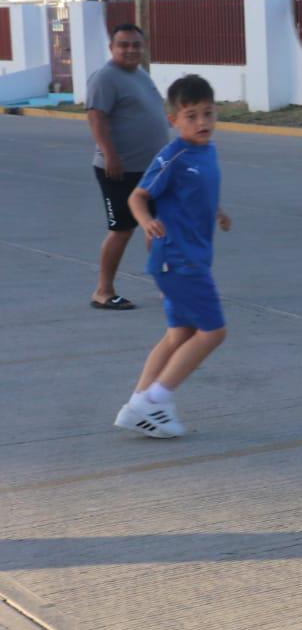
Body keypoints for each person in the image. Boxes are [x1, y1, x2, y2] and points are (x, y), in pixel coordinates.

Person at [113, 75, 231, 440]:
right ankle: (156, 400)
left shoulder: (205, 151)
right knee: (213, 332)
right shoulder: (174, 155)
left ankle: (136, 405)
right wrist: (146, 222)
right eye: (191, 116)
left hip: (187, 257)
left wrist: (216, 211)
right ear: (174, 121)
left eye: (208, 113)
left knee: (179, 333)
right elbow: (137, 196)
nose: (202, 123)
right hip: (178, 260)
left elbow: (195, 193)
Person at [85, 23, 170, 310]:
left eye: (136, 44)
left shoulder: (140, 75)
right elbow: (96, 118)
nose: (131, 50)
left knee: (156, 228)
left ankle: (166, 287)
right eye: (124, 44)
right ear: (112, 48)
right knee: (121, 230)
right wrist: (110, 155)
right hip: (120, 169)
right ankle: (103, 291)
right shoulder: (105, 77)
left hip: (151, 170)